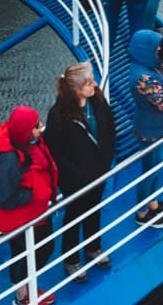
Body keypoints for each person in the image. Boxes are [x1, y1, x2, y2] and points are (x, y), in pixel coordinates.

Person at [43, 63, 115, 282]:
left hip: (99, 171)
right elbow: (54, 152)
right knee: (74, 215)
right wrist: (77, 175)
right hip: (75, 180)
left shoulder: (98, 101)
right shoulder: (58, 115)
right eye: (89, 82)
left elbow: (109, 129)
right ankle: (71, 260)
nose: (94, 84)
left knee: (94, 209)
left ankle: (93, 248)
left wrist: (106, 159)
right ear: (76, 89)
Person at [0, 106, 57, 305]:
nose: (40, 128)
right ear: (25, 131)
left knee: (42, 249)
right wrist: (32, 194)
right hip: (21, 218)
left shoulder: (28, 145)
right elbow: (3, 197)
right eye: (36, 126)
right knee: (24, 254)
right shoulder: (10, 159)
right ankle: (22, 296)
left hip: (36, 212)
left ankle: (28, 288)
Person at [127, 29, 163, 226]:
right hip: (151, 130)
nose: (160, 51)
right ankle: (142, 213)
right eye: (157, 48)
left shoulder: (150, 66)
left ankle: (151, 203)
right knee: (150, 171)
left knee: (155, 168)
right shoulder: (142, 76)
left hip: (158, 126)